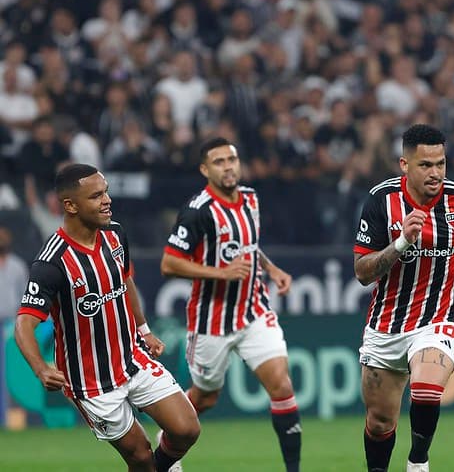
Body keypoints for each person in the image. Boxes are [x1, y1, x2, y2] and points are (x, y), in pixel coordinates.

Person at [14, 163, 200, 472]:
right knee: (140, 457)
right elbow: (24, 323)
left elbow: (125, 282)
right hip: (91, 381)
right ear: (70, 205)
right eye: (96, 195)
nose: (107, 200)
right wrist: (39, 368)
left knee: (186, 429)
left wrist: (144, 329)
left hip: (132, 357)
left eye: (106, 192)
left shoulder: (115, 234)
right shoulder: (51, 262)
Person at [353, 124, 454, 472]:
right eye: (426, 165)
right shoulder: (381, 200)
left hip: (442, 316)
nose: (436, 173)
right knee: (380, 422)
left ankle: (418, 462)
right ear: (404, 165)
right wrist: (400, 243)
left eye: (440, 163)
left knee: (426, 390)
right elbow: (363, 272)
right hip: (388, 323)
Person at [160, 137, 301, 472]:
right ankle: (166, 445)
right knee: (205, 397)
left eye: (231, 159)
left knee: (281, 384)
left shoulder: (250, 198)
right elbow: (169, 263)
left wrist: (271, 268)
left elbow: (248, 245)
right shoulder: (198, 211)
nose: (228, 167)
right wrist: (220, 273)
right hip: (212, 320)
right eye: (219, 161)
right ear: (205, 170)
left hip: (254, 310)